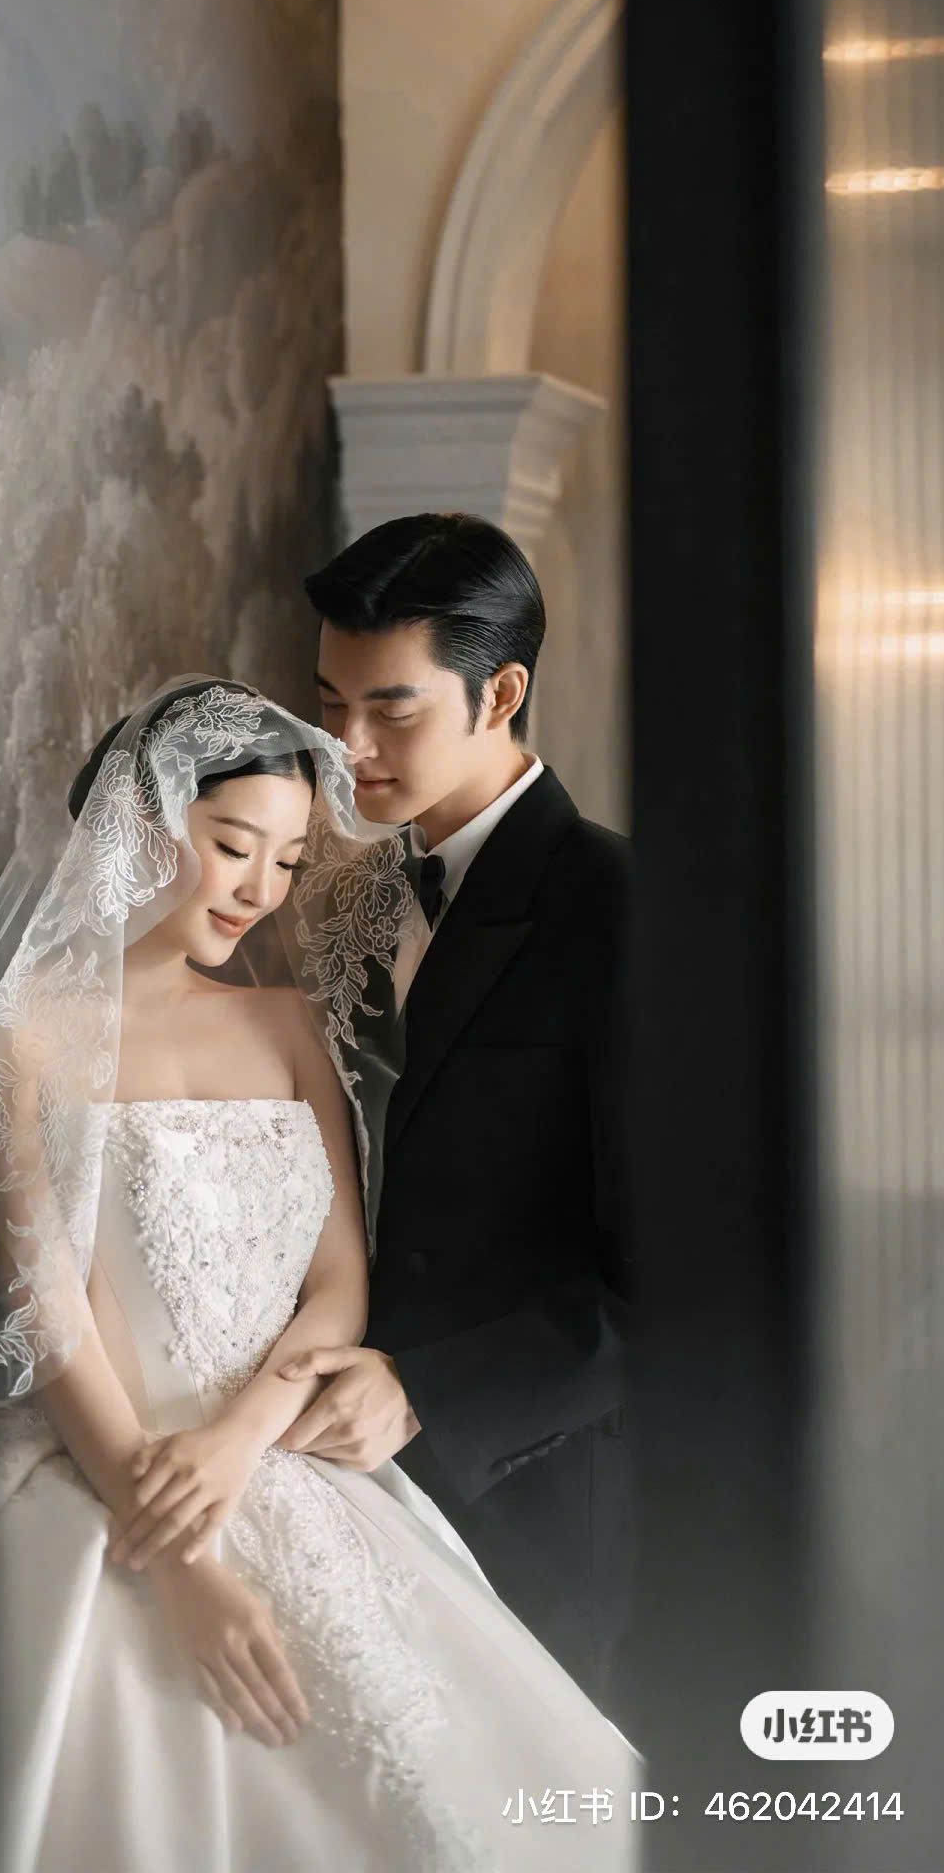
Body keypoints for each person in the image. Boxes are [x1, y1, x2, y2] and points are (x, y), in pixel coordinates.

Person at [0, 675, 636, 1872]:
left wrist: (241, 1443)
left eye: (286, 862)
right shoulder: (22, 1041)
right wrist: (180, 1557)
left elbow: (338, 1282)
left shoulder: (290, 1024)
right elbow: (52, 1307)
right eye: (235, 847)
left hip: (281, 1455)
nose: (260, 890)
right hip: (105, 1465)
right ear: (138, 823)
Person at [275, 513, 633, 1720]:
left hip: (529, 1501)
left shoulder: (626, 909)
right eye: (330, 705)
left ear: (502, 693)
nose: (349, 747)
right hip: (324, 1485)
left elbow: (695, 1277)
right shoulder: (327, 890)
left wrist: (427, 1389)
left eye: (392, 709)